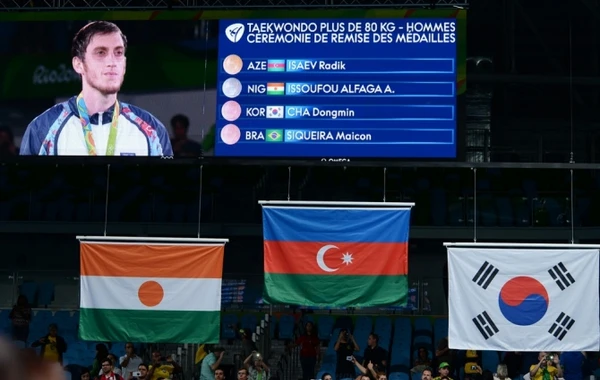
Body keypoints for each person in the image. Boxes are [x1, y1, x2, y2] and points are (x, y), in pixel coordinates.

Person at [20, 21, 172, 157]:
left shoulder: (152, 131)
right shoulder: (44, 128)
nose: (112, 62)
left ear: (125, 63)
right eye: (101, 53)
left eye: (118, 53)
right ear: (78, 64)